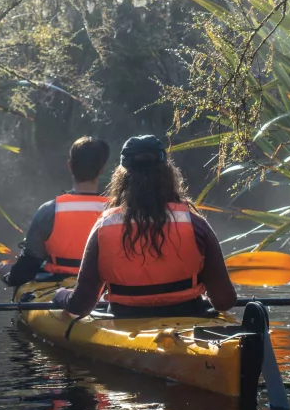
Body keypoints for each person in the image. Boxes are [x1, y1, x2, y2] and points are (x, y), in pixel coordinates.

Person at [52, 135, 237, 318]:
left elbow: (81, 304)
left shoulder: (104, 227)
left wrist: (59, 295)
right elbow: (224, 301)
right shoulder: (196, 224)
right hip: (188, 317)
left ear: (122, 178)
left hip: (125, 319)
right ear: (167, 173)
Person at [0, 136, 110, 287]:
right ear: (102, 169)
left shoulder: (49, 211)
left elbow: (29, 264)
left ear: (70, 166)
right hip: (101, 288)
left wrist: (8, 275)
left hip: (55, 285)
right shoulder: (115, 212)